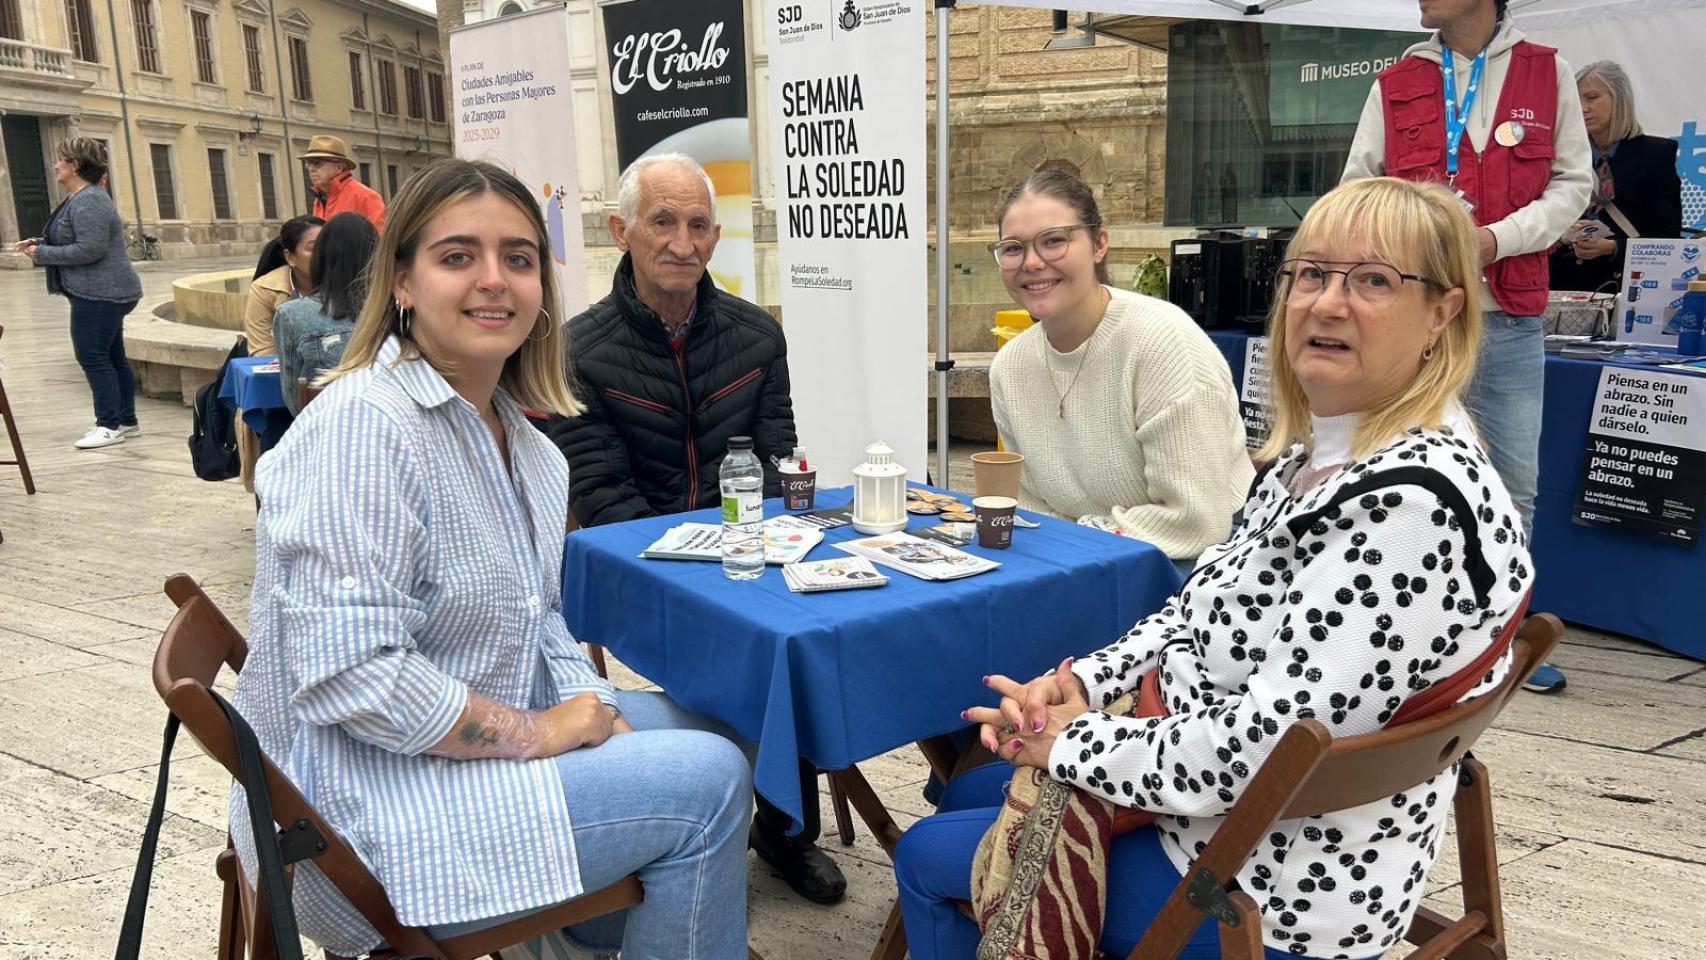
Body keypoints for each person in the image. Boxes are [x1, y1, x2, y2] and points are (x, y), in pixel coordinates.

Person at [892, 177, 1533, 960]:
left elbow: (1255, 754)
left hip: (1270, 883)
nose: (1327, 304)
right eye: (1310, 274)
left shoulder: (1407, 512)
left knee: (925, 856)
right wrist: (1086, 682)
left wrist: (1071, 744)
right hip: (1233, 811)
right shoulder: (1336, 455)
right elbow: (1199, 603)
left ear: (1443, 312)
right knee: (968, 787)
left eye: (1373, 281)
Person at [230, 159, 752, 960]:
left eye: (517, 257)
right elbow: (352, 678)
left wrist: (587, 705)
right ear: (401, 281)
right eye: (456, 256)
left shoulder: (524, 444)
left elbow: (540, 618)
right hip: (356, 818)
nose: (493, 281)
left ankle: (599, 922)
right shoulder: (365, 428)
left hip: (449, 761)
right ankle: (607, 919)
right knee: (707, 783)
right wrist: (538, 731)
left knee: (725, 731)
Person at [543, 154, 843, 906]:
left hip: (751, 550)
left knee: (800, 635)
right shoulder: (577, 350)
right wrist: (702, 570)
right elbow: (602, 495)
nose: (683, 241)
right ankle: (716, 813)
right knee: (760, 642)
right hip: (640, 567)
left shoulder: (754, 336)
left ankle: (781, 826)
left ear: (716, 238)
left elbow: (779, 462)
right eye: (663, 222)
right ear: (622, 232)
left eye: (699, 224)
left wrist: (759, 551)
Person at [1342, 0, 1590, 694]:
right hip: (1416, 316)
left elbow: (1574, 184)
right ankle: (1407, 641)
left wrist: (1494, 240)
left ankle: (1498, 647)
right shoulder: (1395, 83)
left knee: (1514, 486)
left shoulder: (1548, 73)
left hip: (1506, 313)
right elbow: (1359, 186)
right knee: (1397, 474)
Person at [986, 168, 1253, 578]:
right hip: (1084, 561)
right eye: (1013, 248)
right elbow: (1034, 509)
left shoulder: (1162, 341)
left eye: (1054, 241)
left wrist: (1083, 544)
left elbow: (1194, 520)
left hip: (1195, 564)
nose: (1032, 262)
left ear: (1099, 244)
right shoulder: (1010, 366)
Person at [14, 137, 144, 450]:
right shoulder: (83, 198)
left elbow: (90, 248)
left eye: (60, 160)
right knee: (113, 357)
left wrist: (42, 254)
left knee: (91, 355)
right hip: (103, 290)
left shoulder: (90, 200)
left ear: (74, 165)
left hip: (101, 293)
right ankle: (126, 420)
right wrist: (38, 242)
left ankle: (109, 424)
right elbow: (75, 236)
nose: (55, 165)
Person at [1549, 60, 1683, 294]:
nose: (1582, 108)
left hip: (1624, 289)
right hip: (1562, 285)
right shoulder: (1563, 155)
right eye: (1576, 99)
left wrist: (1612, 247)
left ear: (1618, 99)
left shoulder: (1655, 155)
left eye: (1591, 97)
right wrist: (1562, 238)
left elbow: (1666, 238)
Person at [273, 212, 379, 415]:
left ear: (321, 257)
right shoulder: (399, 308)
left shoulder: (291, 315)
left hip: (324, 434)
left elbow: (295, 399)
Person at [244, 215, 323, 356]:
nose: (324, 254)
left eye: (329, 246)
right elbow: (262, 351)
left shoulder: (347, 283)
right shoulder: (264, 289)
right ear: (290, 257)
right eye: (314, 248)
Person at [302, 134, 386, 228]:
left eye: (317, 163)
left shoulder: (365, 197)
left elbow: (379, 237)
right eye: (309, 163)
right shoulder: (320, 198)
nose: (311, 169)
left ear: (339, 167)